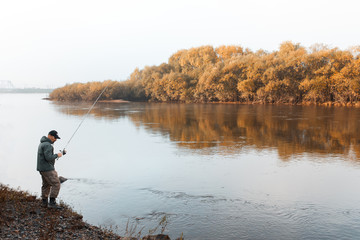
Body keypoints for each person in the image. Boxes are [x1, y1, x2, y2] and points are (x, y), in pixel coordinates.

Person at [37, 130, 63, 209]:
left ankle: (44, 203)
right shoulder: (48, 145)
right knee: (56, 184)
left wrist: (57, 155)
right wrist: (57, 155)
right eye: (55, 137)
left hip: (42, 168)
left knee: (46, 185)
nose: (56, 139)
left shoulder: (42, 143)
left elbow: (47, 157)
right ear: (50, 136)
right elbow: (48, 158)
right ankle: (52, 203)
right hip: (48, 169)